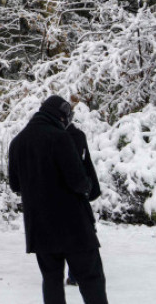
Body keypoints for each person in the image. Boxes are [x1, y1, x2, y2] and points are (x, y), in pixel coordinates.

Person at [8, 95, 109, 304]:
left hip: (39, 225)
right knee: (91, 278)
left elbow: (15, 185)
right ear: (62, 115)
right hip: (73, 224)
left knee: (51, 280)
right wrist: (89, 186)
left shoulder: (17, 142)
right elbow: (78, 181)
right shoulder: (60, 138)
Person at [65, 113, 102, 288]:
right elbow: (86, 163)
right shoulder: (78, 135)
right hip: (79, 193)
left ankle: (73, 275)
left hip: (68, 192)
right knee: (80, 235)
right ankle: (75, 274)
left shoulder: (56, 137)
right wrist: (91, 187)